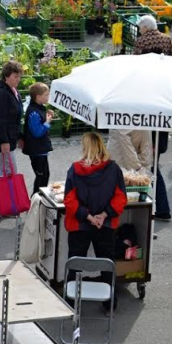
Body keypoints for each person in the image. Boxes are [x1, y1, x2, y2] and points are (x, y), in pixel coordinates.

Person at [63, 132, 126, 311]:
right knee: (106, 262)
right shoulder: (114, 169)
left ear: (86, 148)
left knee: (75, 262)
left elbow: (69, 200)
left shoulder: (75, 169)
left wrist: (88, 216)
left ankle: (69, 303)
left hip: (79, 225)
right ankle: (110, 303)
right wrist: (104, 215)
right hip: (105, 225)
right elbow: (121, 198)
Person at [0, 61, 24, 195]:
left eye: (19, 76)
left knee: (6, 173)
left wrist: (18, 136)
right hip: (1, 141)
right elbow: (0, 120)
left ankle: (1, 203)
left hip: (8, 139)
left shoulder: (14, 91)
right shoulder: (2, 94)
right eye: (15, 76)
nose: (18, 79)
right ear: (6, 76)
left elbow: (15, 118)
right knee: (9, 174)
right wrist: (4, 141)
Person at [22, 82, 54, 195]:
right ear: (38, 97)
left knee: (45, 175)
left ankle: (39, 198)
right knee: (41, 176)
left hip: (40, 149)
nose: (48, 97)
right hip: (37, 150)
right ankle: (36, 198)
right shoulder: (33, 112)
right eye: (46, 95)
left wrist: (47, 116)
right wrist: (47, 122)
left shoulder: (38, 108)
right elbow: (37, 132)